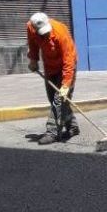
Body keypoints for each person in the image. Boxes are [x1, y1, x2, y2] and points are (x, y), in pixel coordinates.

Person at [26, 12, 79, 145]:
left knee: (59, 100)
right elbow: (32, 44)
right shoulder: (30, 27)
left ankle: (52, 132)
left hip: (66, 68)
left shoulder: (60, 33)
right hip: (50, 66)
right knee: (52, 98)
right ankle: (73, 127)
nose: (45, 34)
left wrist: (66, 85)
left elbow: (69, 61)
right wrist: (33, 60)